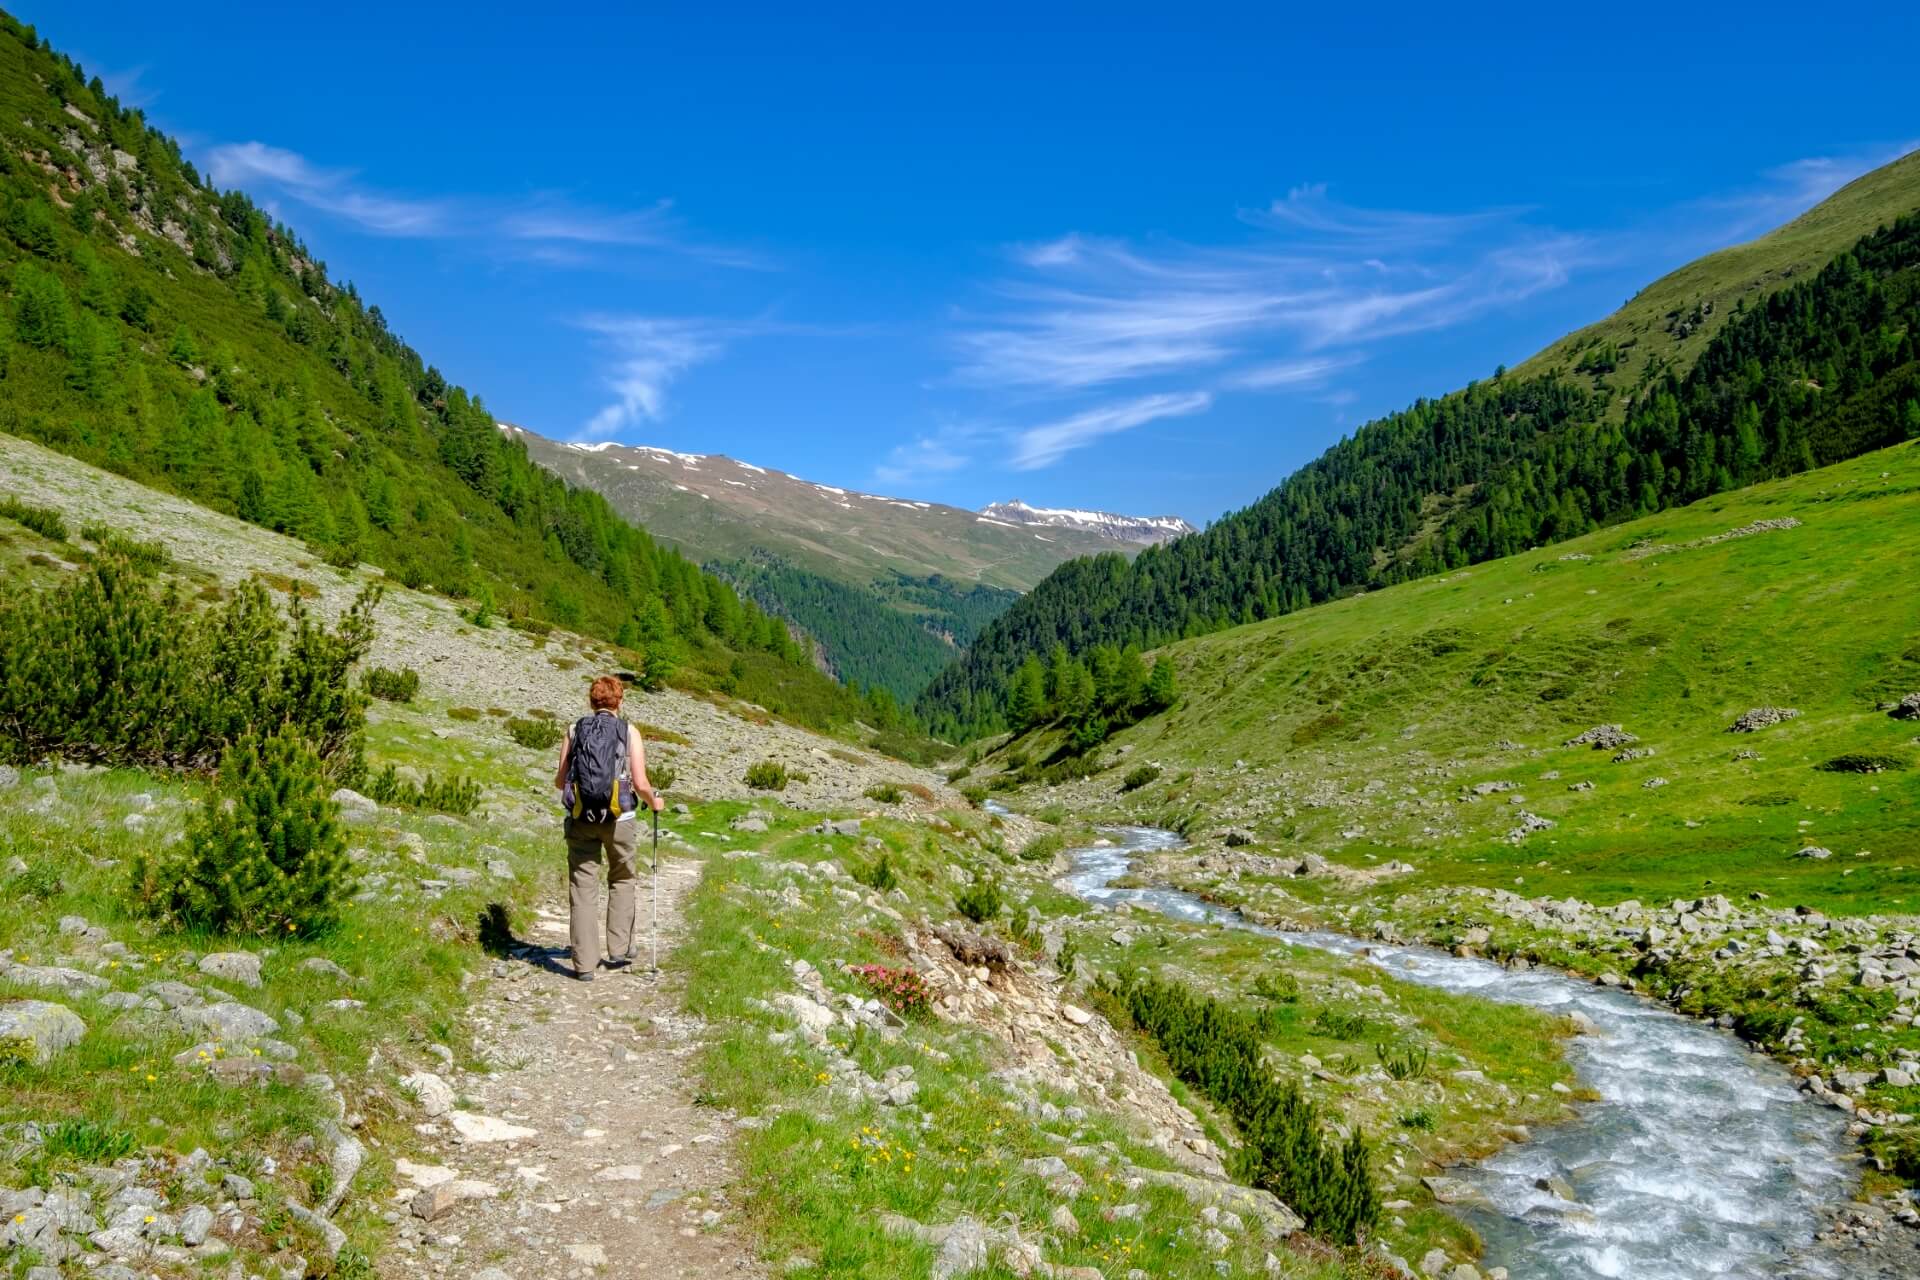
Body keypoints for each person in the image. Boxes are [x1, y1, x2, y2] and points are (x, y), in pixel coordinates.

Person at [554, 675, 665, 981]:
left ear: (592, 701)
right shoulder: (629, 732)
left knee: (582, 888)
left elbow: (559, 781)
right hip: (621, 820)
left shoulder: (574, 730)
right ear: (620, 700)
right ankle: (619, 949)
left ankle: (584, 964)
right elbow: (641, 783)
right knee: (622, 879)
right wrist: (655, 799)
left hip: (580, 819)